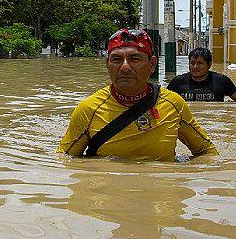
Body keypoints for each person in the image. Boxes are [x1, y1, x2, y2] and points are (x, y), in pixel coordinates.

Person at [58, 28, 218, 162]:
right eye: (116, 59)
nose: (125, 67)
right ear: (107, 65)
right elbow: (64, 160)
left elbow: (207, 153)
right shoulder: (88, 109)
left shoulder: (173, 104)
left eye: (135, 58)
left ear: (152, 64)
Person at [167, 47, 236, 102]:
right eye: (192, 63)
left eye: (200, 63)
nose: (195, 67)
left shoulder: (221, 81)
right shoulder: (177, 82)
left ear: (209, 65)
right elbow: (164, 101)